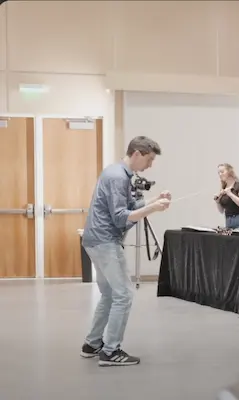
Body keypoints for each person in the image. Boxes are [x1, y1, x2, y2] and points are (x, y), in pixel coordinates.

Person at [79, 136, 170, 366]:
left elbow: (127, 207)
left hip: (95, 240)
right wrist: (152, 209)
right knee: (124, 295)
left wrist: (153, 200)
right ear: (137, 153)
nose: (150, 165)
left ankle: (92, 343)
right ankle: (110, 351)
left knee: (110, 294)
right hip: (105, 241)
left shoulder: (116, 173)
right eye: (149, 159)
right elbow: (120, 218)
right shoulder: (118, 177)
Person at [214, 163, 239, 230]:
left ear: (230, 172)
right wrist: (217, 202)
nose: (220, 174)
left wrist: (230, 194)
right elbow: (221, 211)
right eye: (219, 173)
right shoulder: (223, 187)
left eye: (222, 172)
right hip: (229, 221)